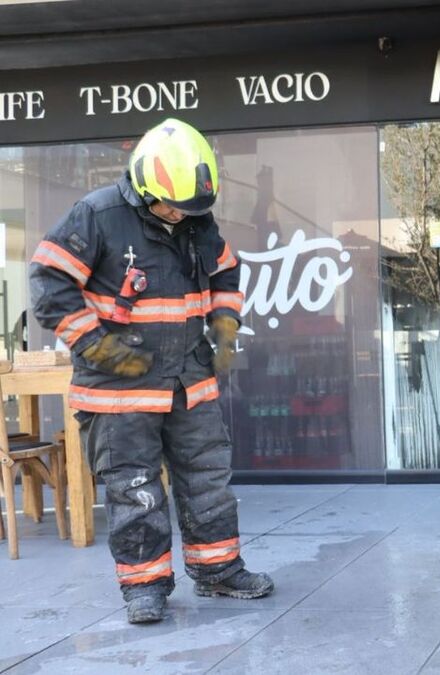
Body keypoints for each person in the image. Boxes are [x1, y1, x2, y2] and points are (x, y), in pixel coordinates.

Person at [29, 118, 273, 624]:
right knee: (135, 488)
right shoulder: (97, 215)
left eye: (191, 208)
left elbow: (226, 268)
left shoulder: (196, 220)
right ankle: (144, 587)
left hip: (188, 381)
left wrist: (225, 321)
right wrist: (98, 348)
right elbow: (50, 283)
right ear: (144, 187)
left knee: (209, 479)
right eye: (174, 206)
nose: (183, 216)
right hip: (119, 391)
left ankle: (219, 570)